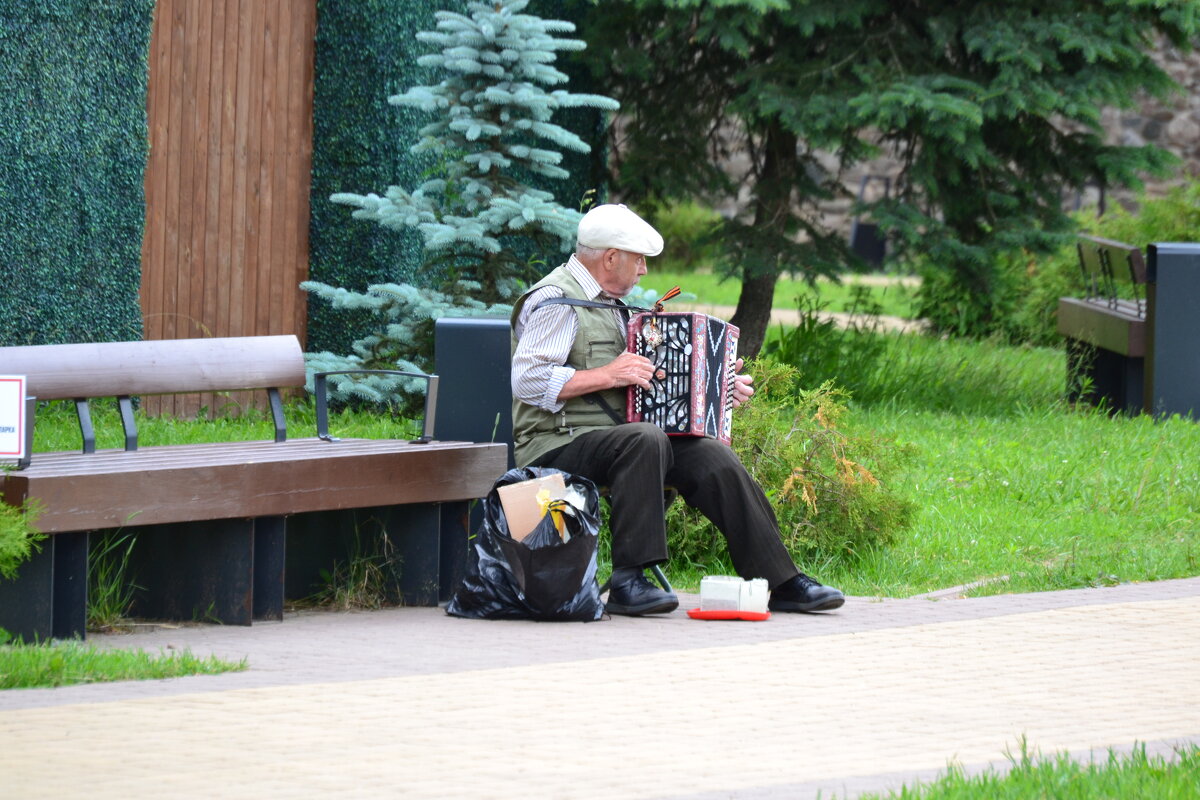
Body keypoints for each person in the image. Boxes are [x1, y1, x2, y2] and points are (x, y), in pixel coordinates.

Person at [510, 203, 845, 616]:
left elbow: (649, 384)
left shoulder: (617, 305)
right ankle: (629, 580)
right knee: (644, 440)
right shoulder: (556, 300)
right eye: (639, 259)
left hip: (622, 444)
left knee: (709, 453)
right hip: (552, 444)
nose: (645, 271)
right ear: (611, 257)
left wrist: (717, 388)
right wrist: (610, 374)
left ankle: (781, 581)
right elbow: (527, 380)